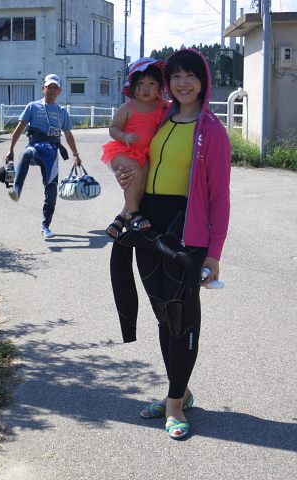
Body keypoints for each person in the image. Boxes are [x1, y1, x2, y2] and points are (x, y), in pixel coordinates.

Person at [110, 49, 231, 439]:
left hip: (186, 230)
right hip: (148, 226)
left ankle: (175, 404)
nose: (182, 83)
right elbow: (136, 155)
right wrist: (126, 178)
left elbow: (220, 196)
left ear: (203, 81)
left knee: (180, 316)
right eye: (175, 76)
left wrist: (214, 252)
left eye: (190, 76)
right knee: (163, 314)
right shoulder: (162, 116)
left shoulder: (211, 129)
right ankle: (181, 390)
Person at [6, 74, 82, 238]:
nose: (52, 90)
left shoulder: (62, 112)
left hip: (52, 153)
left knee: (52, 190)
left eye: (55, 87)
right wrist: (10, 149)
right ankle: (17, 189)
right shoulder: (33, 106)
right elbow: (19, 129)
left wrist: (75, 154)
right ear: (43, 88)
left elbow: (68, 135)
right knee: (27, 153)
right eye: (49, 87)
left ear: (60, 91)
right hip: (35, 147)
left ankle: (46, 226)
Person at [101, 58, 169, 239]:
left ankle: (120, 220)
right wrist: (125, 136)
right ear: (133, 85)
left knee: (141, 185)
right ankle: (134, 215)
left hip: (144, 155)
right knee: (135, 174)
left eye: (152, 83)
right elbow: (113, 128)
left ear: (160, 87)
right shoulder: (128, 107)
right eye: (141, 83)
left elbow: (177, 107)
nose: (146, 88)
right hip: (123, 151)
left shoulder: (160, 104)